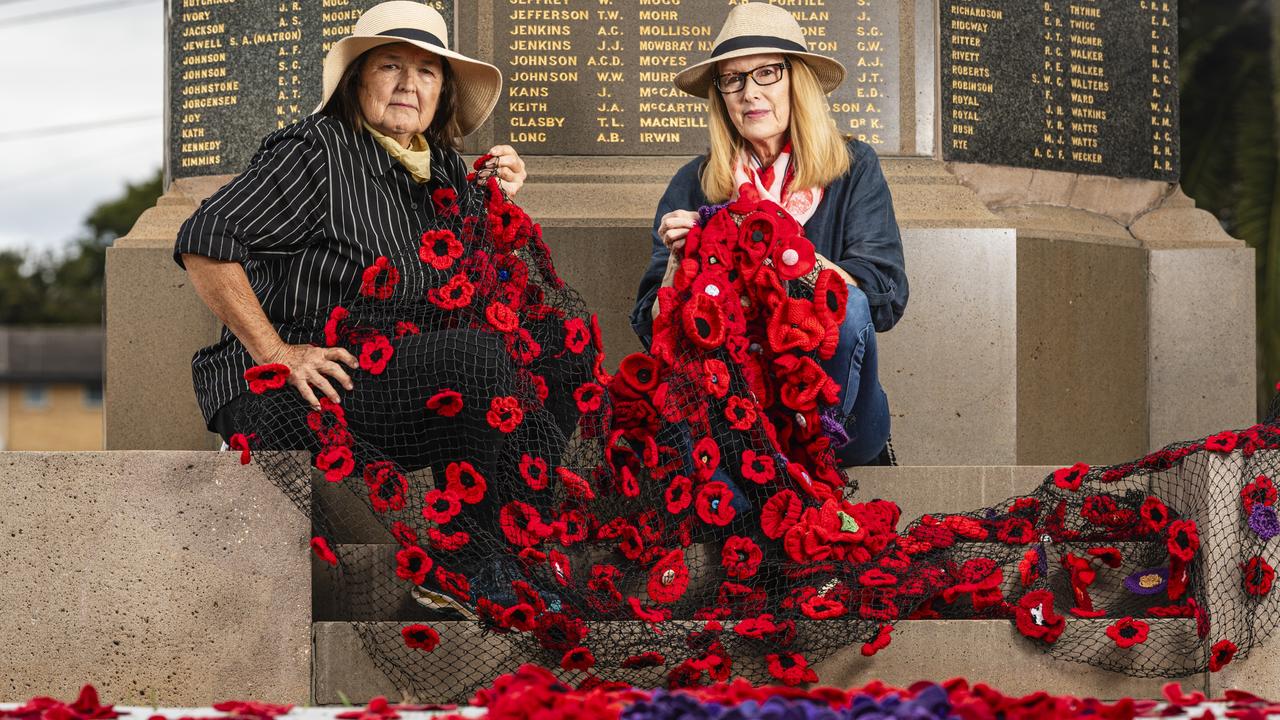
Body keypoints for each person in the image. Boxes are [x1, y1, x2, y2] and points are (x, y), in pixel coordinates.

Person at [175, 0, 527, 444]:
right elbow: (204, 239)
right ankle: (481, 514)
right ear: (358, 78)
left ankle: (509, 514)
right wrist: (276, 352)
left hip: (387, 371)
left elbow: (483, 284)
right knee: (477, 356)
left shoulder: (445, 168)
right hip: (290, 385)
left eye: (427, 72)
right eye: (390, 65)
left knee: (554, 353)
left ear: (442, 93)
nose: (407, 85)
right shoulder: (317, 150)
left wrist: (502, 205)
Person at [632, 2, 906, 467]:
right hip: (736, 414)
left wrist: (768, 240)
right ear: (720, 95)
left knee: (852, 303)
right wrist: (680, 265)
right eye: (732, 79)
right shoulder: (693, 183)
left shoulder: (855, 166)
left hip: (844, 415)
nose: (748, 93)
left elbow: (882, 294)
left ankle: (811, 453)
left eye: (766, 73)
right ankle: (760, 461)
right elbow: (648, 324)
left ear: (797, 80)